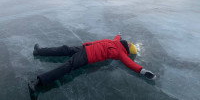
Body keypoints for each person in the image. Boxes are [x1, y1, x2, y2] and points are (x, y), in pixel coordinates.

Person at [28, 35, 156, 94]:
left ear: (128, 50)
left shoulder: (121, 53)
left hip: (86, 56)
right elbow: (118, 37)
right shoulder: (116, 41)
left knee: (66, 67)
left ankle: (38, 82)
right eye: (129, 43)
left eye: (130, 45)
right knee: (65, 49)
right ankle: (39, 51)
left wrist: (142, 71)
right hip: (84, 47)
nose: (129, 43)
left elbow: (130, 64)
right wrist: (119, 34)